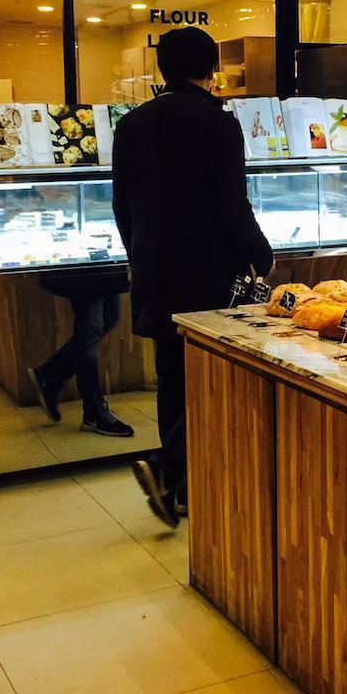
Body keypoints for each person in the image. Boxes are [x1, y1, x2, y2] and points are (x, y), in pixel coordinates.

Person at [112, 27, 273, 528]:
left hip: (154, 265)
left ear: (162, 68)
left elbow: (122, 205)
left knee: (172, 376)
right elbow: (231, 202)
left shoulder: (131, 124)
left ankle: (180, 488)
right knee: (209, 374)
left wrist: (139, 254)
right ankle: (169, 471)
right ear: (210, 70)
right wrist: (259, 253)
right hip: (207, 270)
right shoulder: (217, 123)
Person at [27, 268, 135, 437]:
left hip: (107, 262)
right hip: (83, 267)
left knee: (110, 318)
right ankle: (94, 412)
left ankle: (49, 375)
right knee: (91, 327)